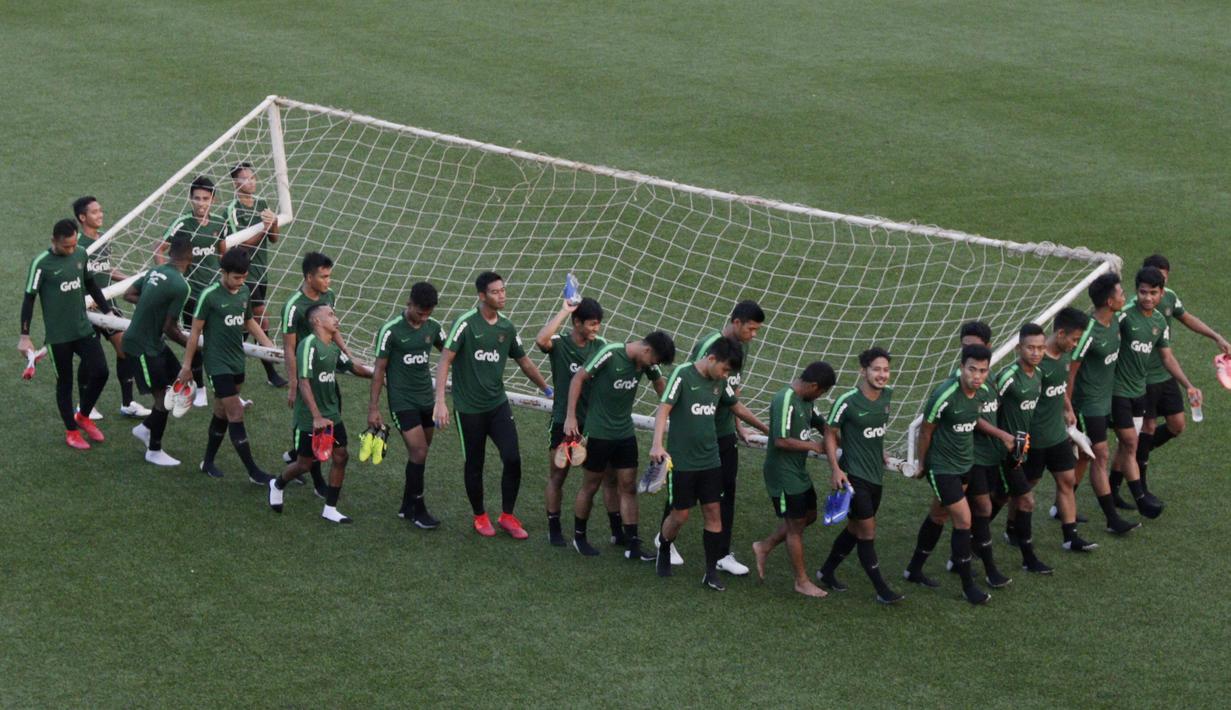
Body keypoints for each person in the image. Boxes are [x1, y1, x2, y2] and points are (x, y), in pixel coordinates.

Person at [433, 271, 551, 539]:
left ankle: (507, 516)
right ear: (482, 296)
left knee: (512, 458)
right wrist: (440, 401)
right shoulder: (465, 324)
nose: (502, 295)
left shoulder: (506, 327)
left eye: (503, 290)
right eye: (496, 292)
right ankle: (480, 515)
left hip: (497, 405)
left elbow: (524, 361)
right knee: (475, 463)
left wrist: (546, 388)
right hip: (469, 409)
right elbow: (444, 361)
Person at [651, 337, 769, 591]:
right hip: (682, 462)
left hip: (711, 460)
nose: (726, 375)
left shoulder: (720, 381)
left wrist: (766, 429)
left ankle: (710, 571)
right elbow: (663, 409)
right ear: (712, 359)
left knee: (714, 513)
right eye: (725, 369)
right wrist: (657, 445)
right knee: (680, 515)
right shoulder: (683, 375)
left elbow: (736, 407)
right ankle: (664, 545)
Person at [1116, 255, 1227, 506]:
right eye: (1146, 288)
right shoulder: (1130, 312)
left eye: (1161, 279)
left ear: (1165, 283)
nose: (1150, 294)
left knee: (1177, 425)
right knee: (1147, 429)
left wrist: (1215, 337)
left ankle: (1131, 457)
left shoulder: (1166, 304)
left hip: (1164, 375)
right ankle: (1136, 481)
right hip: (1141, 379)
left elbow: (1185, 320)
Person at [563, 330, 674, 560]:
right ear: (646, 350)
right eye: (655, 359)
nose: (654, 365)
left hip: (624, 433)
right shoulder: (610, 353)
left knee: (628, 486)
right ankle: (579, 537)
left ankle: (631, 543)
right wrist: (571, 417)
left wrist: (674, 413)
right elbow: (578, 378)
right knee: (591, 486)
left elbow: (662, 388)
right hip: (599, 433)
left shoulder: (647, 364)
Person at [902, 344, 994, 605]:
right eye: (972, 369)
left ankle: (913, 569)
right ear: (961, 367)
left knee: (938, 515)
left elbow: (972, 420)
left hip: (965, 465)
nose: (976, 376)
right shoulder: (945, 394)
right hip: (942, 468)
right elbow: (926, 431)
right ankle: (967, 586)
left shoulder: (983, 393)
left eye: (982, 371)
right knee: (964, 521)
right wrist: (922, 464)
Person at [809, 348, 903, 604]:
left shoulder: (888, 397)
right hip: (854, 476)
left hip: (876, 476)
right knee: (867, 532)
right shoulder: (848, 401)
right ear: (863, 371)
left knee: (854, 528)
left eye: (885, 369)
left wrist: (880, 448)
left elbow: (874, 431)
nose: (882, 375)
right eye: (876, 369)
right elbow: (830, 432)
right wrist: (836, 469)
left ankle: (826, 571)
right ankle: (882, 590)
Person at [1108, 267, 1200, 519]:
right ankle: (1136, 496)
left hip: (1140, 390)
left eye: (1153, 293)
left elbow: (1167, 356)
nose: (1147, 297)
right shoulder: (1124, 316)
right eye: (1143, 292)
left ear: (1161, 294)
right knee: (1126, 442)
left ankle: (1117, 490)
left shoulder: (1159, 321)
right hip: (1120, 391)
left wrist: (1188, 384)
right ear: (1136, 291)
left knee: (1138, 439)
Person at [178, 249, 277, 483]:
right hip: (217, 363)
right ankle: (254, 472)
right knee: (235, 411)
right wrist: (187, 365)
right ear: (223, 272)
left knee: (221, 412)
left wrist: (268, 345)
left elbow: (248, 321)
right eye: (236, 277)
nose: (240, 282)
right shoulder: (209, 296)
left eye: (243, 277)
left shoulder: (243, 291)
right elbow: (194, 333)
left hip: (236, 361)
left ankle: (207, 461)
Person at [268, 304, 373, 522]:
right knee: (305, 464)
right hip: (310, 418)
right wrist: (316, 416)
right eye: (331, 315)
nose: (336, 318)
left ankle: (330, 508)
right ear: (317, 321)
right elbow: (304, 381)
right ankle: (278, 483)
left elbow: (355, 368)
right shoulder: (308, 346)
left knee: (341, 456)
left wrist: (381, 374)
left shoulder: (333, 348)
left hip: (332, 415)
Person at [19, 218, 115, 449]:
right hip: (58, 337)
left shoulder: (81, 254)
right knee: (65, 382)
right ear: (54, 241)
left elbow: (91, 285)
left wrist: (108, 311)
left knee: (101, 371)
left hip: (83, 329)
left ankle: (82, 416)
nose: (71, 249)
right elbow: (29, 298)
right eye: (66, 246)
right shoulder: (41, 263)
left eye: (73, 245)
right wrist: (24, 335)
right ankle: (71, 431)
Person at [749, 361, 836, 598]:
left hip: (798, 471)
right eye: (823, 391)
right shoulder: (784, 399)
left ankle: (764, 546)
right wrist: (815, 446)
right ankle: (801, 581)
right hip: (783, 474)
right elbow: (780, 440)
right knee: (795, 526)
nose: (821, 396)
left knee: (808, 516)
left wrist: (835, 433)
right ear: (814, 386)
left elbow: (824, 425)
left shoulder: (807, 401)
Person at [535, 296, 613, 547]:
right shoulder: (559, 344)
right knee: (558, 476)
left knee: (600, 479)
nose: (596, 329)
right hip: (562, 422)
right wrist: (564, 310)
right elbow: (541, 340)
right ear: (577, 322)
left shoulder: (601, 346)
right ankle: (554, 526)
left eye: (598, 324)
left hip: (594, 425)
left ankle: (608, 531)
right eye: (591, 324)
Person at [1067, 272, 1141, 534]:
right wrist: (1068, 408)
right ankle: (1112, 518)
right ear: (1110, 301)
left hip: (1108, 400)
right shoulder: (1088, 333)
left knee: (1085, 459)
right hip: (1089, 405)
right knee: (1100, 455)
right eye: (1120, 293)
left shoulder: (1116, 320)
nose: (1125, 296)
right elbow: (1071, 372)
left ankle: (1062, 504)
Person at [367, 282, 445, 529]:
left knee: (419, 455)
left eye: (428, 313)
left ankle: (406, 504)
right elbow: (379, 370)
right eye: (420, 312)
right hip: (402, 401)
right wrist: (374, 407)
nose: (424, 318)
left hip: (426, 400)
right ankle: (418, 511)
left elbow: (450, 352)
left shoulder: (433, 328)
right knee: (419, 451)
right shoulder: (391, 331)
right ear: (408, 303)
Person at [73, 195, 149, 419]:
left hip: (108, 306)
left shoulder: (103, 238)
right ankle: (84, 405)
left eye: (100, 210)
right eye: (95, 212)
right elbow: (73, 279)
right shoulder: (77, 246)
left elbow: (106, 270)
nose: (100, 215)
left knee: (124, 349)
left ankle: (128, 403)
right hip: (86, 310)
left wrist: (130, 279)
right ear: (82, 217)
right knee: (90, 358)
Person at [123, 235, 193, 465]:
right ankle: (154, 450)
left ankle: (145, 427)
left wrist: (152, 302)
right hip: (141, 346)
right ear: (190, 257)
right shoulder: (181, 285)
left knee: (178, 385)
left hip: (153, 342)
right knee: (163, 397)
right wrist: (191, 346)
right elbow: (170, 328)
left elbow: (129, 294)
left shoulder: (156, 270)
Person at [156, 176, 225, 407]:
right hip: (191, 295)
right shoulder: (183, 224)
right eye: (196, 198)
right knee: (193, 342)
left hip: (214, 294)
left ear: (213, 200)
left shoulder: (220, 223)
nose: (201, 203)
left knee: (217, 342)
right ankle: (201, 389)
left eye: (205, 198)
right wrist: (168, 278)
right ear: (190, 198)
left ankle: (225, 390)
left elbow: (223, 254)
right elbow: (160, 249)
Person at [281, 251, 342, 497]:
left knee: (330, 419)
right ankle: (317, 480)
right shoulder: (293, 306)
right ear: (308, 277)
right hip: (306, 375)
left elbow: (333, 328)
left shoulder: (329, 296)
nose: (328, 281)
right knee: (312, 425)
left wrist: (347, 352)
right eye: (323, 276)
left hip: (326, 372)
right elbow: (289, 347)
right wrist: (293, 384)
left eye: (329, 276)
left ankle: (295, 455)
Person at [222, 162, 286, 388]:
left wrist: (274, 223)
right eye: (245, 178)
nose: (250, 182)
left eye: (253, 177)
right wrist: (265, 227)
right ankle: (270, 372)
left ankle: (231, 358)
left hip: (261, 273)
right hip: (244, 276)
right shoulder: (232, 209)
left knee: (248, 323)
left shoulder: (262, 204)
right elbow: (240, 244)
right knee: (259, 317)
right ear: (235, 183)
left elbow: (274, 238)